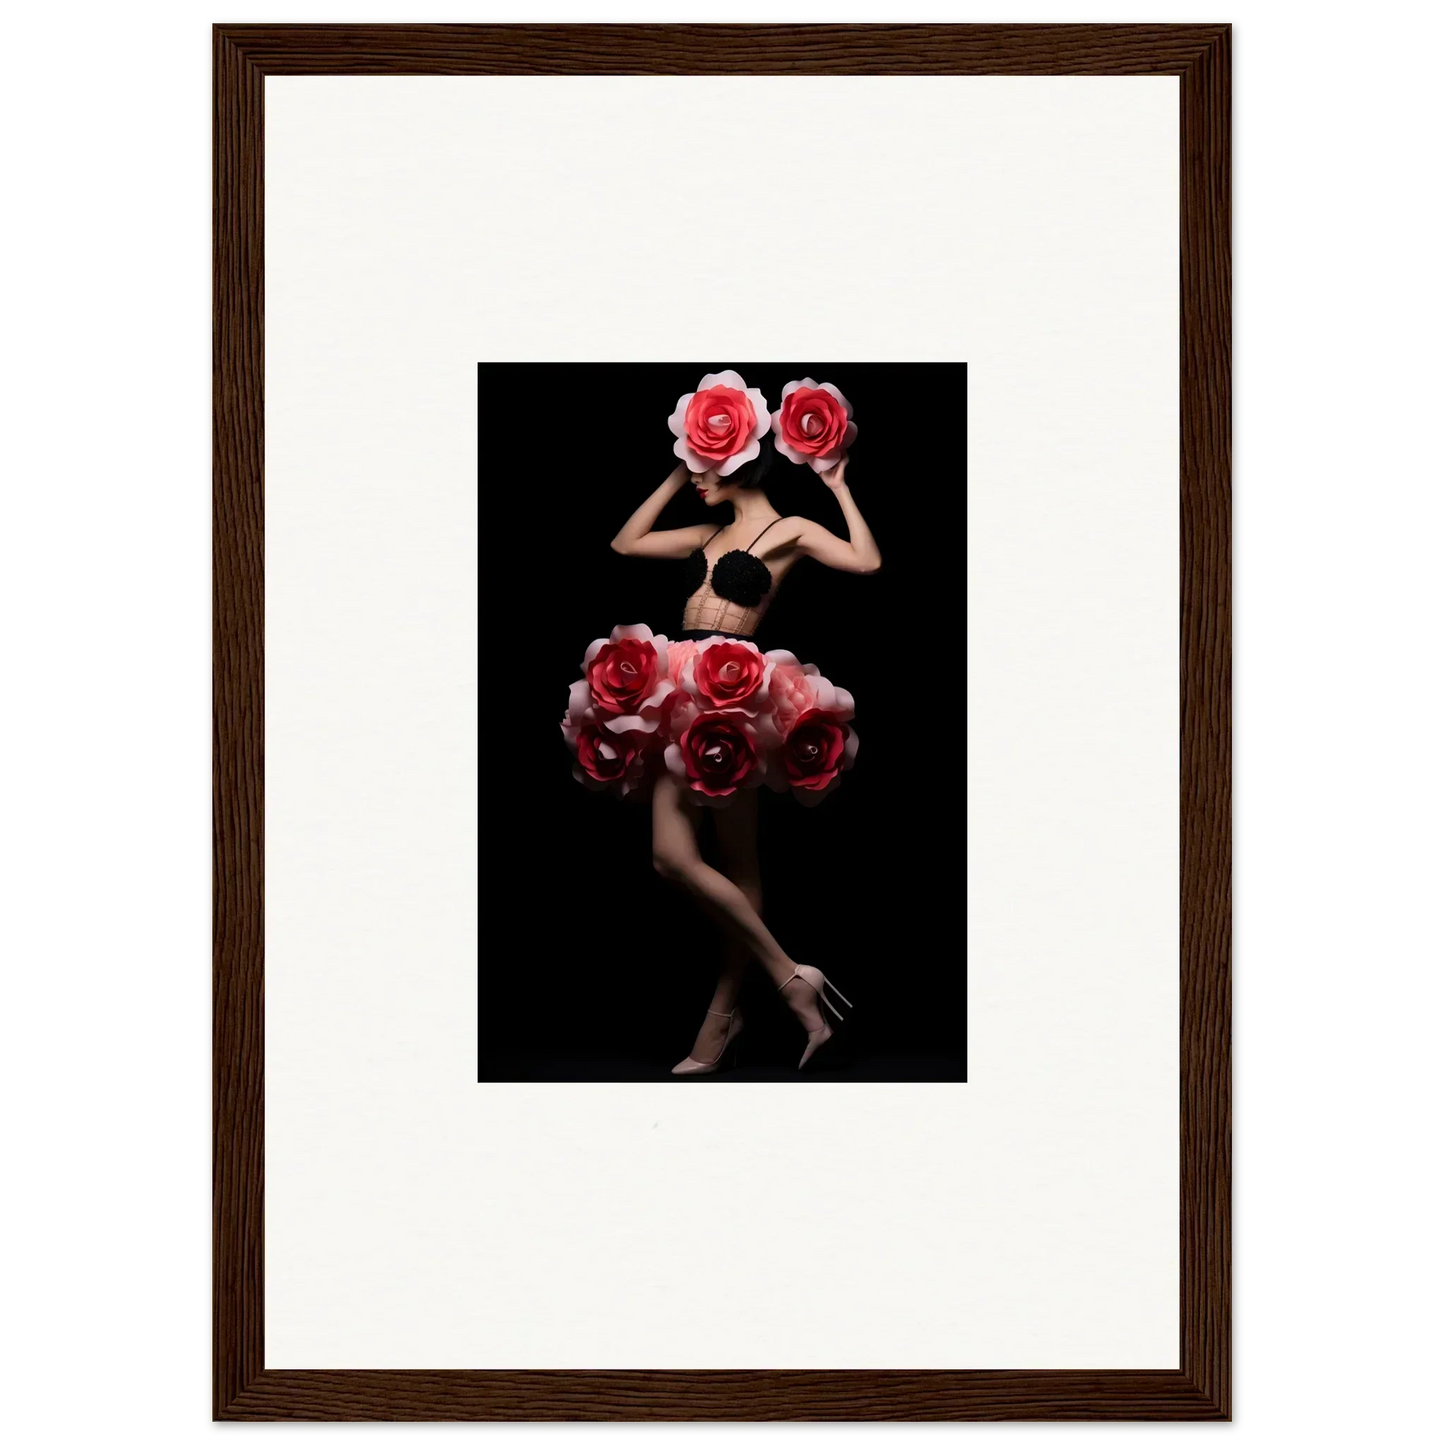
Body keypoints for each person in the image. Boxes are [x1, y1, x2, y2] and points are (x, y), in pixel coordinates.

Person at [607, 428, 883, 1075]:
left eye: (703, 465)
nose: (694, 477)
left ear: (741, 463)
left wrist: (837, 488)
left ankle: (719, 1025)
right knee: (674, 857)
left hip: (737, 690)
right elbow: (625, 541)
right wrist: (677, 476)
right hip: (681, 683)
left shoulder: (788, 529)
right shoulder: (705, 534)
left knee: (733, 859)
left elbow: (865, 561)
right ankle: (791, 978)